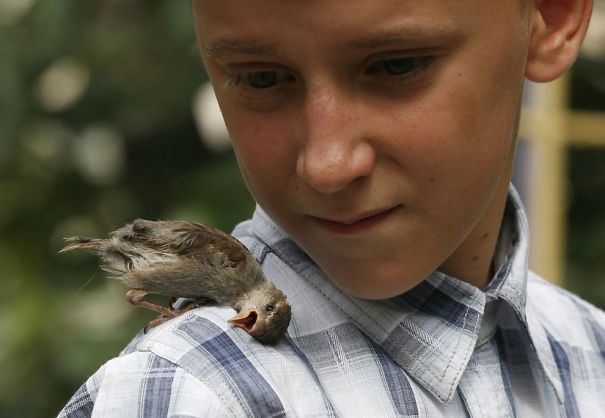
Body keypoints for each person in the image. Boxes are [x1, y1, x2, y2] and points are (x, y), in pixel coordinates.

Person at [59, 0, 604, 416]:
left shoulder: (591, 357)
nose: (328, 164)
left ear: (549, 18)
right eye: (262, 78)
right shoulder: (196, 394)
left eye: (396, 66)